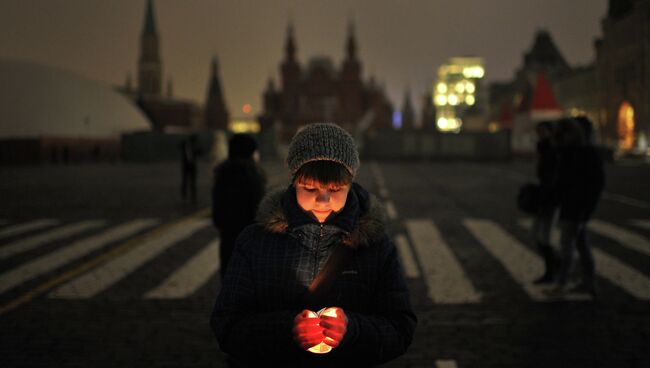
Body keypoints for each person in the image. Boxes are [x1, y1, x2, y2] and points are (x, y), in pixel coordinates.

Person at [211, 123, 417, 367]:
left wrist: (350, 329)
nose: (323, 201)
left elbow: (400, 329)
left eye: (336, 189)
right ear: (294, 181)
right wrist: (288, 328)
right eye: (310, 188)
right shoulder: (255, 242)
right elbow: (228, 326)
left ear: (351, 182)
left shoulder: (376, 246)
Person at [551, 117, 605, 297]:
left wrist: (585, 209)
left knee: (567, 245)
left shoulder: (583, 154)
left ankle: (561, 283)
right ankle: (589, 283)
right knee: (581, 245)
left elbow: (595, 184)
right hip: (572, 205)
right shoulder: (569, 152)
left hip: (576, 207)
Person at [212, 133, 267, 279]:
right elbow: (259, 212)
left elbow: (217, 215)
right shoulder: (253, 177)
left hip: (228, 241)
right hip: (251, 243)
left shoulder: (223, 175)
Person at [531, 121, 559, 284]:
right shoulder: (544, 148)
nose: (540, 134)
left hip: (550, 198)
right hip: (545, 196)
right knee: (538, 236)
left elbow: (552, 177)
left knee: (544, 237)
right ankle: (555, 266)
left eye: (542, 131)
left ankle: (554, 268)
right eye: (538, 131)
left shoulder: (552, 151)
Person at [180, 134, 201, 203]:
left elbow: (199, 152)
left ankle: (192, 196)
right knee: (186, 181)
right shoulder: (186, 145)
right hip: (187, 166)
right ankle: (185, 196)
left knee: (192, 182)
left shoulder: (194, 147)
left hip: (191, 166)